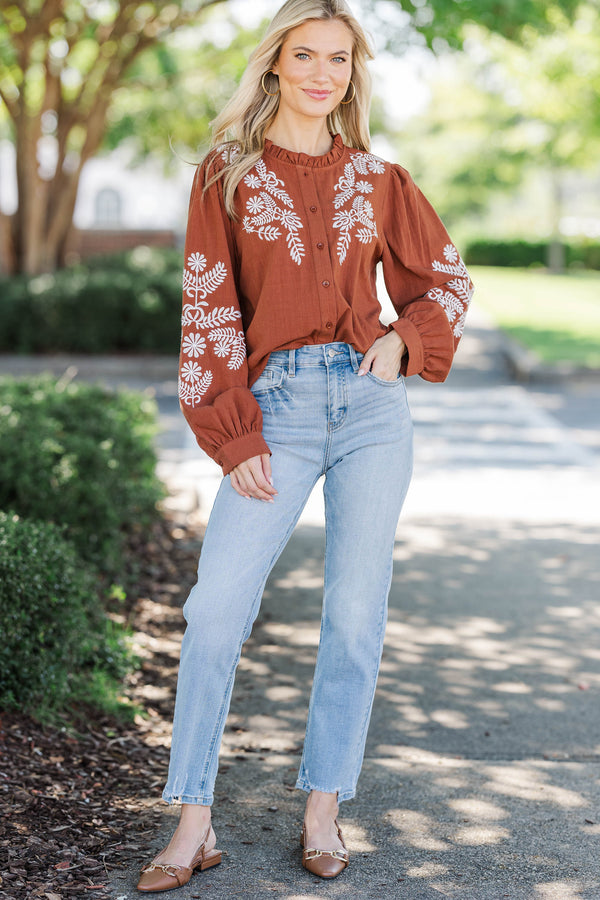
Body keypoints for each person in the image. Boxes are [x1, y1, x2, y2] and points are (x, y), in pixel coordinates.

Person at [137, 0, 473, 892]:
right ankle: (192, 823)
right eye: (305, 55)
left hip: (369, 408)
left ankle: (323, 810)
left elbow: (446, 278)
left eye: (340, 59)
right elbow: (209, 312)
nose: (324, 73)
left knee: (355, 618)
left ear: (351, 74)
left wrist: (403, 340)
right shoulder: (227, 176)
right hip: (274, 407)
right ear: (275, 65)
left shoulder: (380, 178)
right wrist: (232, 430)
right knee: (215, 611)